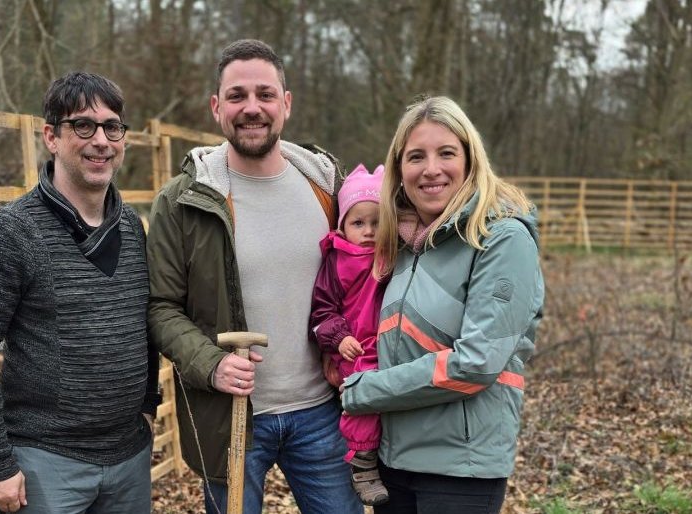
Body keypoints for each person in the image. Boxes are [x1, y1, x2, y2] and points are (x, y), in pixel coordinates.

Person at [146, 39, 363, 514]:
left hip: (321, 413)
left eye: (265, 94)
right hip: (233, 419)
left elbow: (370, 271)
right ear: (216, 107)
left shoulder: (329, 189)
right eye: (237, 95)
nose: (252, 108)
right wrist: (211, 363)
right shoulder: (183, 200)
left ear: (285, 103)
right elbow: (160, 306)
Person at [0, 71, 160, 514]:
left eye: (112, 127)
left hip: (129, 457)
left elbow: (143, 323)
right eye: (83, 126)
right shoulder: (10, 232)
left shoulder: (133, 228)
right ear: (51, 136)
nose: (101, 140)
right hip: (46, 464)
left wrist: (146, 405)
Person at [340, 96, 545, 514]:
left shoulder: (501, 239)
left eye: (446, 153)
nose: (431, 169)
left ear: (470, 160)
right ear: (399, 170)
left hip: (460, 470)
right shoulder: (399, 243)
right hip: (393, 462)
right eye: (416, 156)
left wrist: (365, 391)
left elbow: (477, 362)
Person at [309, 163, 389, 506]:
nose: (368, 231)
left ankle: (385, 458)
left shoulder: (393, 254)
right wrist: (338, 338)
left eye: (377, 222)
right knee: (364, 395)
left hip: (388, 344)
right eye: (358, 223)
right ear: (343, 225)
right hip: (355, 349)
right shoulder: (338, 260)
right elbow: (322, 309)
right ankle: (363, 462)